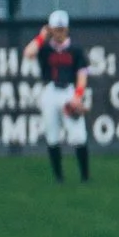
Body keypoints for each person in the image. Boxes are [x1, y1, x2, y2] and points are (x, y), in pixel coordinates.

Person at [25, 9, 92, 184]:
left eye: (62, 29)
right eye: (56, 29)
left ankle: (85, 177)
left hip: (68, 91)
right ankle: (58, 177)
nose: (59, 32)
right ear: (50, 29)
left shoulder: (76, 50)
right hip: (50, 92)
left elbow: (82, 75)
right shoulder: (45, 48)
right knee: (52, 135)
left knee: (78, 136)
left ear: (67, 29)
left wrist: (78, 96)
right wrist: (41, 36)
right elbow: (28, 53)